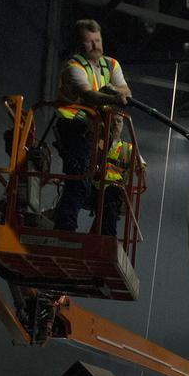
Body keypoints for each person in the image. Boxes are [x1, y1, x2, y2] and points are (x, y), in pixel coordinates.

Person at [54, 18, 131, 233]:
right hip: (74, 127)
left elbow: (126, 91)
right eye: (89, 42)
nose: (96, 45)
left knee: (103, 192)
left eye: (98, 40)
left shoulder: (111, 64)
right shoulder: (73, 67)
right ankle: (65, 229)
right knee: (78, 180)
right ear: (80, 44)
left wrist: (115, 93)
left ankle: (100, 234)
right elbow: (87, 94)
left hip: (95, 131)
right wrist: (113, 97)